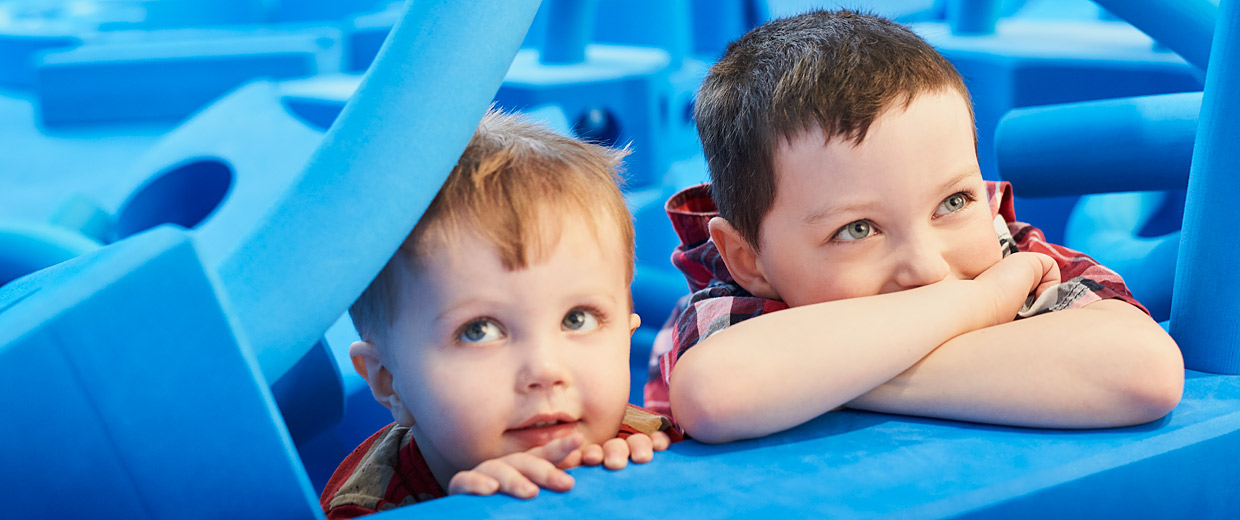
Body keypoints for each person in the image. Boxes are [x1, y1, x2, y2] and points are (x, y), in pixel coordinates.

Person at [644, 9, 1184, 444]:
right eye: (858, 229)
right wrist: (976, 305)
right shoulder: (730, 299)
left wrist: (830, 378)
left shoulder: (1005, 249)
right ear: (749, 260)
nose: (928, 267)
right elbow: (717, 394)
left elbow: (1143, 372)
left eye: (953, 200)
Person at [321, 108, 679, 518]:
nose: (545, 370)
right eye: (480, 330)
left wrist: (664, 486)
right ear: (388, 381)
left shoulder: (652, 444)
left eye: (577, 319)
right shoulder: (367, 507)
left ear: (625, 338)